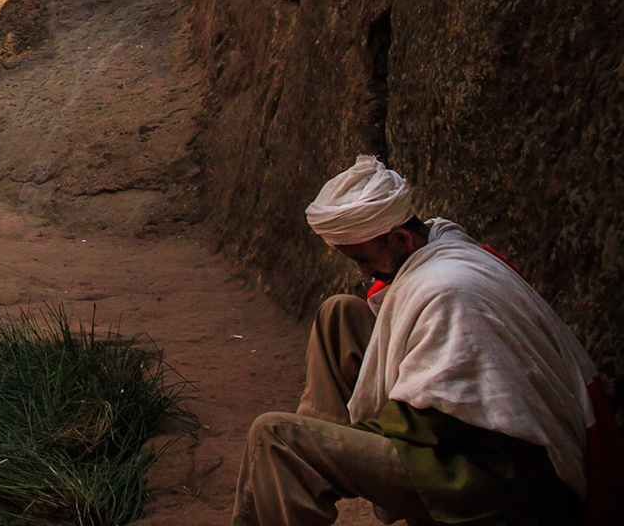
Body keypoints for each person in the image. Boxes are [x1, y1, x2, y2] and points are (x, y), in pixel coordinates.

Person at [231, 154, 612, 526]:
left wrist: (333, 446)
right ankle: (314, 464)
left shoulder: (449, 291)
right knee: (339, 314)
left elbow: (432, 425)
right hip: (454, 439)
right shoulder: (440, 241)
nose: (365, 273)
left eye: (364, 260)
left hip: (489, 480)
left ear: (400, 237)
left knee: (277, 438)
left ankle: (303, 466)